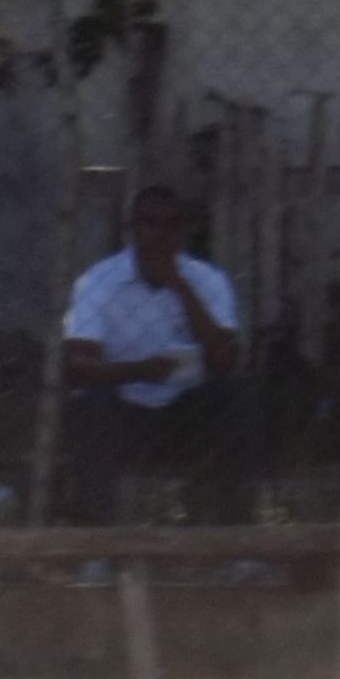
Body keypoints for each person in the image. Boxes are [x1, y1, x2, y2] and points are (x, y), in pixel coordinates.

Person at [57, 185, 256, 525]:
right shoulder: (98, 281)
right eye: (150, 223)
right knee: (92, 403)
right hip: (123, 411)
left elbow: (226, 359)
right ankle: (96, 544)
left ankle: (234, 542)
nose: (160, 235)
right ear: (132, 229)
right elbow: (78, 364)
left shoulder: (207, 280)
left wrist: (180, 286)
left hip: (182, 414)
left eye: (172, 225)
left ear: (183, 232)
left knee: (233, 397)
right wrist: (139, 371)